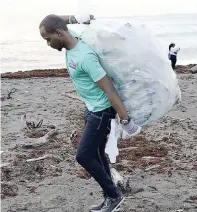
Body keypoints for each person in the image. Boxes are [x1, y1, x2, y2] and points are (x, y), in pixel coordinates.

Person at [39, 14, 141, 212]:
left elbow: (109, 89)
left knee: (84, 156)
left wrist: (125, 118)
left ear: (59, 34)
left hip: (101, 112)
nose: (48, 44)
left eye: (48, 39)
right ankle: (110, 197)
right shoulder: (71, 35)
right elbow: (56, 19)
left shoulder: (85, 56)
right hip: (91, 108)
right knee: (97, 153)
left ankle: (114, 196)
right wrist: (75, 17)